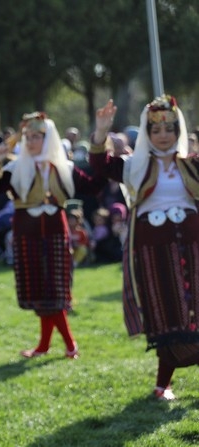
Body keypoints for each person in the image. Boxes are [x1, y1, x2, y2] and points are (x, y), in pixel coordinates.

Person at [90, 95, 199, 400]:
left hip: (193, 247)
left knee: (196, 310)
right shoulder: (134, 166)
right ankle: (162, 384)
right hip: (152, 251)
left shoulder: (191, 165)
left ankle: (165, 382)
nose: (163, 135)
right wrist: (101, 132)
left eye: (169, 129)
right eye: (156, 129)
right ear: (147, 133)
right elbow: (100, 164)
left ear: (178, 131)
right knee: (165, 314)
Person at [0, 112, 106, 359]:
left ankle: (66, 344)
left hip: (54, 234)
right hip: (26, 235)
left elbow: (94, 185)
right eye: (27, 137)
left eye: (36, 137)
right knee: (40, 291)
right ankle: (48, 345)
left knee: (54, 292)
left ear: (48, 138)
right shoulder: (15, 167)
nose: (30, 142)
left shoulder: (64, 167)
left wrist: (100, 147)